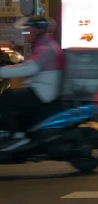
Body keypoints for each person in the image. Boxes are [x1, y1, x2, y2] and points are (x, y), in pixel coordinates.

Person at [0, 17, 63, 150]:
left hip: (43, 92)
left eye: (28, 31)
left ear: (38, 31)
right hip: (41, 89)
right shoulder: (43, 44)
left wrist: (2, 71)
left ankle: (17, 136)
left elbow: (29, 68)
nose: (26, 33)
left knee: (6, 97)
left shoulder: (47, 48)